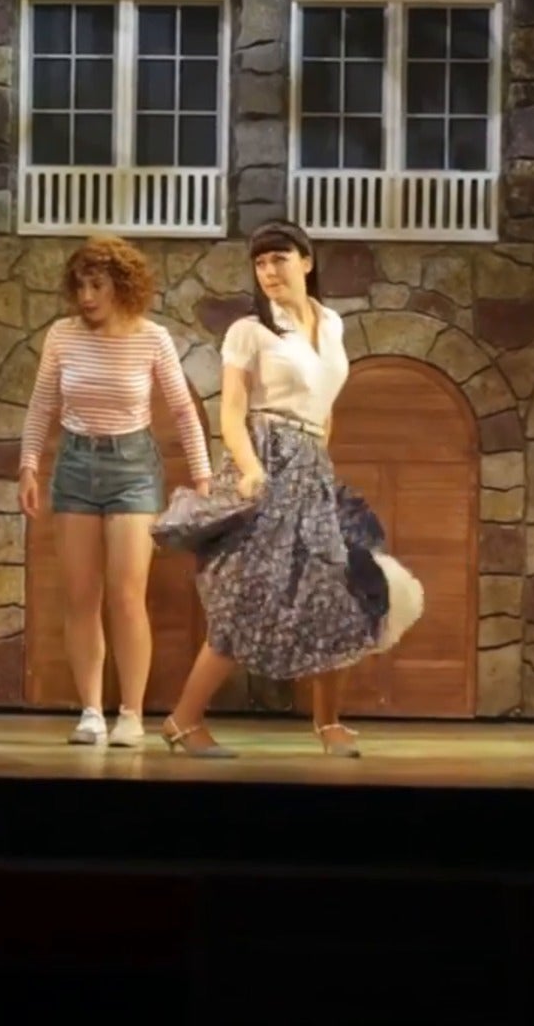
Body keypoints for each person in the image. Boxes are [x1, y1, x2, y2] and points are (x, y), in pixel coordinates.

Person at [161, 219, 422, 759]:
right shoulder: (250, 331)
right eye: (259, 263)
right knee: (247, 597)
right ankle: (183, 720)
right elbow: (232, 414)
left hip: (312, 468)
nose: (268, 271)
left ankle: (328, 724)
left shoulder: (332, 324)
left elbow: (324, 408)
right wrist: (251, 469)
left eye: (278, 259)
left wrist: (320, 465)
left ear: (306, 261)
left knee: (339, 594)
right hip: (266, 458)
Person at [18, 235, 213, 749]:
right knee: (81, 595)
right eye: (80, 286)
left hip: (133, 468)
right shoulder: (62, 336)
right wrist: (28, 466)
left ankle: (131, 712)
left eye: (98, 286)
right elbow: (42, 405)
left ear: (122, 286)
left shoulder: (152, 338)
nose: (87, 297)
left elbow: (183, 410)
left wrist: (203, 477)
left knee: (127, 594)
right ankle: (90, 711)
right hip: (76, 465)